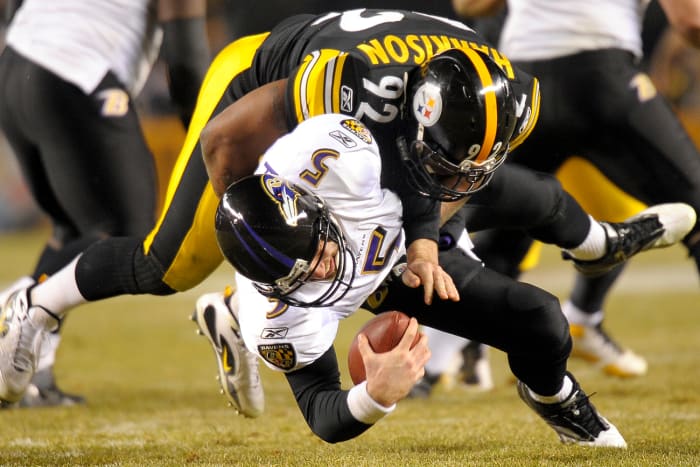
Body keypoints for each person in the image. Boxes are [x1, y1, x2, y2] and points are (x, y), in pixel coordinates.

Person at [0, 8, 691, 416]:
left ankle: (596, 244)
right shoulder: (349, 91)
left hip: (365, 128)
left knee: (402, 223)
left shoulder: (503, 97)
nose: (463, 172)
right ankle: (37, 305)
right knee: (169, 264)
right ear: (419, 110)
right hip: (259, 94)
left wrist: (437, 232)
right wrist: (252, 248)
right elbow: (224, 145)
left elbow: (454, 178)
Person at [202, 112, 631, 447]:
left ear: (315, 207)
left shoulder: (333, 159)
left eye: (318, 251)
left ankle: (601, 243)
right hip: (384, 279)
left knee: (540, 198)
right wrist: (375, 396)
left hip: (404, 223)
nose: (321, 270)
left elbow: (412, 160)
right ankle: (560, 403)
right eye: (299, 277)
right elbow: (321, 411)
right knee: (541, 317)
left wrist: (424, 245)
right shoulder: (274, 315)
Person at [447, 0, 700, 379]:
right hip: (602, 75)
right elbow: (691, 21)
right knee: (685, 212)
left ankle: (441, 362)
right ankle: (581, 318)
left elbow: (471, 5)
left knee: (501, 234)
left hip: (526, 82)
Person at [0, 0, 209, 407]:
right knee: (127, 232)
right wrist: (206, 137)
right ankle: (16, 303)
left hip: (16, 62)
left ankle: (33, 372)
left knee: (70, 230)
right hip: (75, 72)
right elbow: (186, 56)